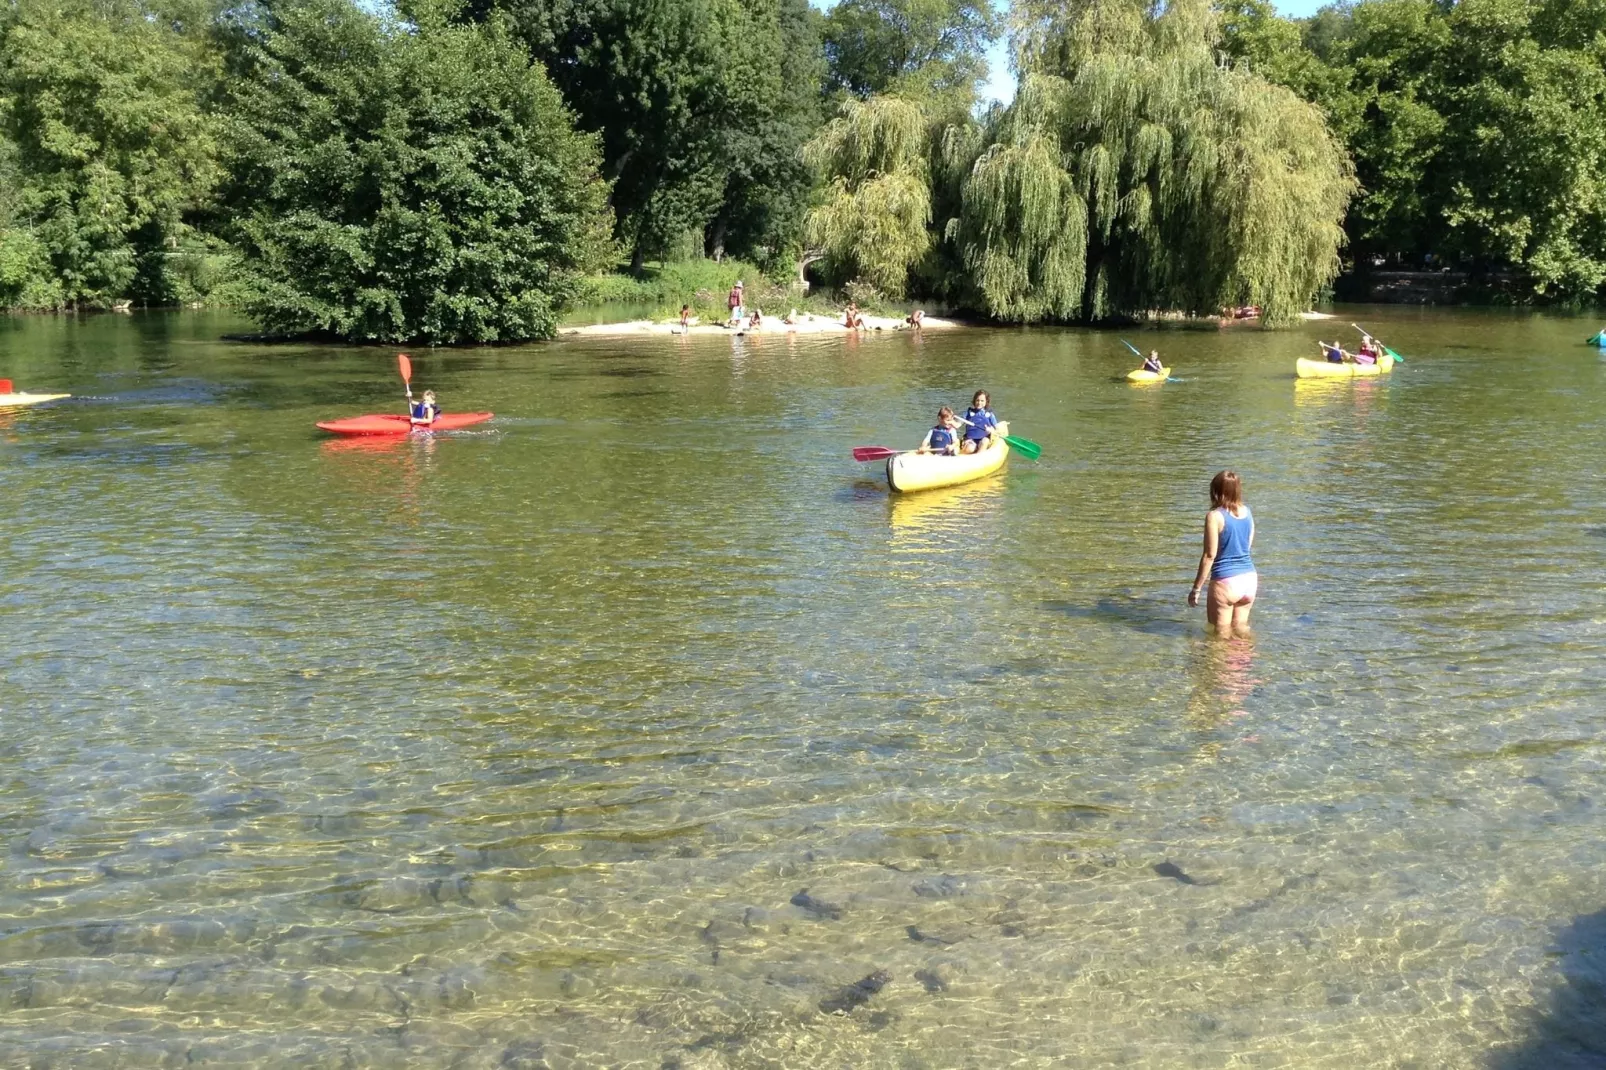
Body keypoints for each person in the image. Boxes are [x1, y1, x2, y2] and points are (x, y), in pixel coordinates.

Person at [1188, 470, 1257, 636]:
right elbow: (1247, 546)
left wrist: (1196, 588)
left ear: (1216, 491)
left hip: (1226, 581)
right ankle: (1244, 661)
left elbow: (1209, 555)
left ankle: (1216, 663)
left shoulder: (1214, 516)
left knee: (1219, 637)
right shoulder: (1247, 512)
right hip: (1249, 579)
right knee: (1241, 630)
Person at [959, 389, 998, 454]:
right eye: (977, 400)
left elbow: (996, 428)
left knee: (984, 442)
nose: (979, 403)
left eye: (982, 401)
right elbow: (958, 424)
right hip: (971, 439)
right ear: (974, 401)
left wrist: (991, 429)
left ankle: (979, 456)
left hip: (984, 438)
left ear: (986, 402)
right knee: (969, 448)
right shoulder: (968, 413)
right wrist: (950, 422)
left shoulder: (989, 414)